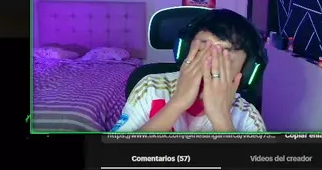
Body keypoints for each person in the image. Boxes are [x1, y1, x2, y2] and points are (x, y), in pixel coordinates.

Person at [112, 9, 267, 133]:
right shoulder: (150, 87)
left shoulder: (248, 117)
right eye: (203, 46)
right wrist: (177, 103)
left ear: (246, 69)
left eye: (225, 53)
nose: (210, 60)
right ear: (186, 50)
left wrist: (222, 120)